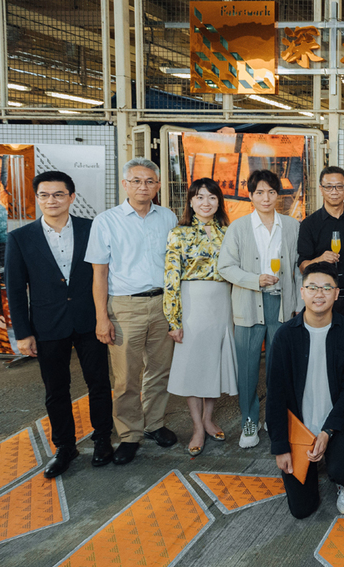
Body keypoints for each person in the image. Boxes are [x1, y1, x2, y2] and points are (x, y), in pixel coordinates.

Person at [5, 171, 114, 476]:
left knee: (99, 383)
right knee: (56, 389)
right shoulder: (20, 238)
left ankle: (103, 438)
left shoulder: (91, 228)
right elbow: (15, 289)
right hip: (47, 324)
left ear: (72, 197)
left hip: (89, 319)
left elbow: (103, 274)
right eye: (44, 195)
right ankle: (65, 446)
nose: (51, 200)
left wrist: (105, 316)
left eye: (58, 194)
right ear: (37, 198)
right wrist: (23, 333)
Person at [85, 158, 178, 465]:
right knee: (126, 378)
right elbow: (99, 274)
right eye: (137, 181)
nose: (143, 186)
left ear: (158, 185)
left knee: (159, 371)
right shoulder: (106, 221)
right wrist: (102, 317)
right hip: (124, 306)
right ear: (124, 184)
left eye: (150, 181)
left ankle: (154, 424)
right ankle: (129, 434)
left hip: (162, 303)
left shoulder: (168, 217)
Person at [267, 262, 344, 518]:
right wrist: (280, 447)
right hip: (298, 428)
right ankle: (310, 460)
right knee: (302, 509)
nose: (318, 294)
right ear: (302, 292)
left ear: (336, 293)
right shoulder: (285, 336)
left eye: (326, 288)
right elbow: (275, 394)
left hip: (335, 423)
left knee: (341, 470)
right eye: (312, 287)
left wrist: (328, 431)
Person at [218, 169, 301, 449]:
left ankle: (274, 418)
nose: (265, 198)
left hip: (281, 305)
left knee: (279, 369)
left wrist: (298, 304)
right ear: (251, 196)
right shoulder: (238, 227)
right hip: (248, 304)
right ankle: (249, 423)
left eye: (271, 192)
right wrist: (254, 280)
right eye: (259, 192)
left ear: (278, 195)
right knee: (248, 369)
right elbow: (225, 267)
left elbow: (299, 270)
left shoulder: (292, 226)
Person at [163, 178, 237, 457]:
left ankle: (208, 418)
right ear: (191, 202)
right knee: (193, 367)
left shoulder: (229, 232)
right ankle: (196, 426)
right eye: (200, 197)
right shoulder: (178, 233)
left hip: (222, 304)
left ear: (219, 202)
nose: (206, 203)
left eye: (212, 197)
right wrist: (174, 319)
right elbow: (171, 278)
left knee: (213, 365)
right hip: (192, 303)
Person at [297, 166, 344, 325]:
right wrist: (320, 259)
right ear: (321, 190)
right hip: (320, 298)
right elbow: (303, 266)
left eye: (339, 186)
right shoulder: (309, 224)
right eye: (329, 187)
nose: (334, 191)